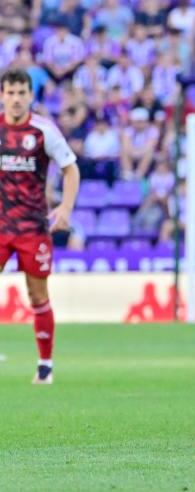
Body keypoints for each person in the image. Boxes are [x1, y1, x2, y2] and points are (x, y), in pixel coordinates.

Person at [0, 68, 80, 384]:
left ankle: (45, 365)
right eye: (11, 92)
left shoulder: (43, 130)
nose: (16, 99)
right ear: (3, 95)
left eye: (22, 93)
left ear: (30, 96)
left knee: (37, 295)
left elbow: (71, 169)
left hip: (33, 227)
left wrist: (66, 207)